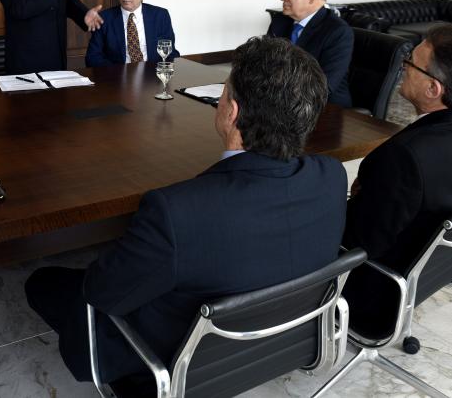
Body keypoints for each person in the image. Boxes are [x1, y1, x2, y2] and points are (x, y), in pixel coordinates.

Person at [25, 37, 346, 387]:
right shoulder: (331, 176)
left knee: (41, 283)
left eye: (225, 90)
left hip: (172, 370)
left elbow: (103, 293)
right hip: (282, 347)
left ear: (231, 112)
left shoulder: (176, 212)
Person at [343, 24, 452, 272]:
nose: (403, 66)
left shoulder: (404, 156)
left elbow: (360, 242)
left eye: (411, 63)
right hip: (438, 267)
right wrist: (376, 188)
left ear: (433, 89)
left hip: (378, 280)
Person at [267, 0, 353, 107]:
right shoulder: (280, 21)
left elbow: (325, 87)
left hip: (326, 108)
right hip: (280, 101)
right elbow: (264, 63)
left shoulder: (338, 32)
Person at [85, 0, 179, 67]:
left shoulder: (160, 16)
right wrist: (119, 73)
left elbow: (170, 52)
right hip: (118, 77)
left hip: (153, 75)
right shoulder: (104, 19)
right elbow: (92, 58)